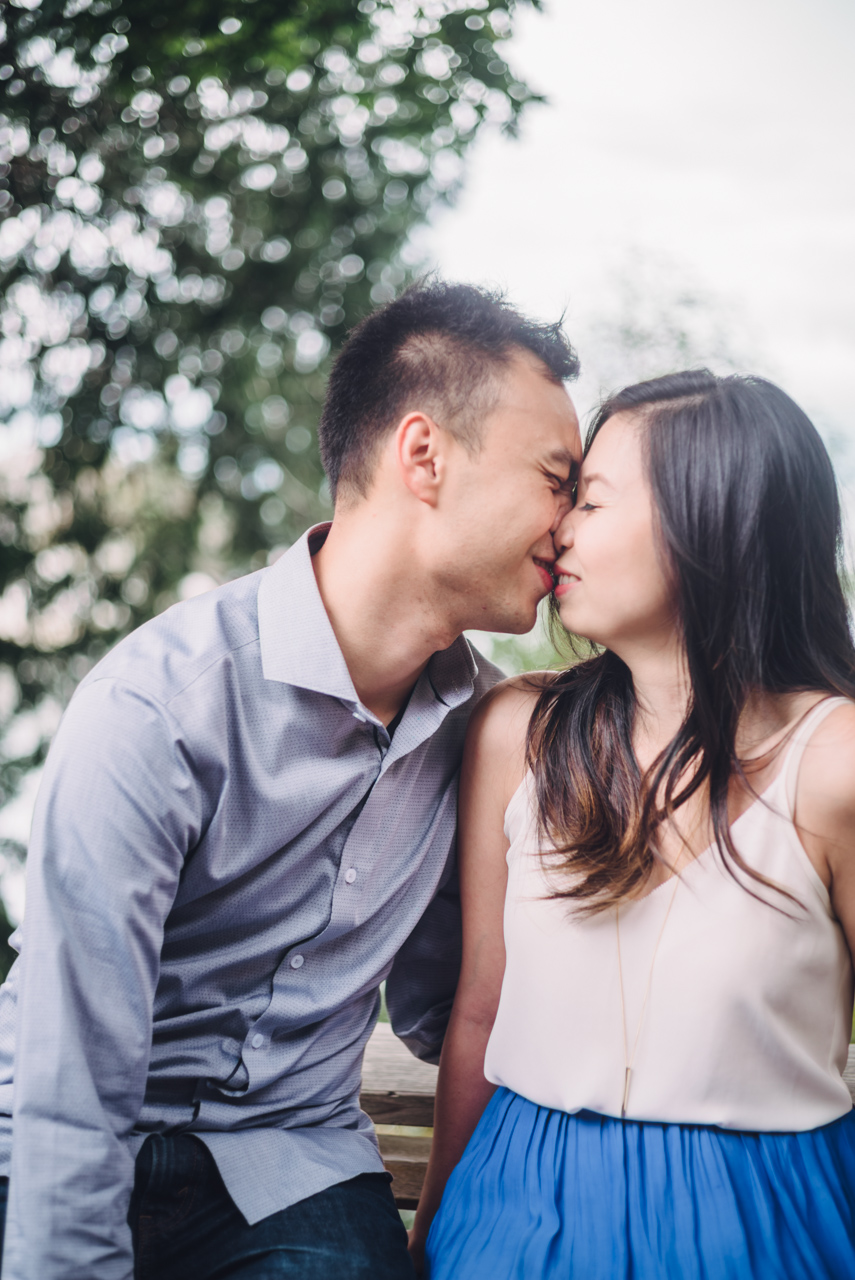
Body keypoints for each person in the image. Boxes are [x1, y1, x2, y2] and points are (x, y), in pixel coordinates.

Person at [0, 280, 583, 1280]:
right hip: (57, 1142)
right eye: (557, 477)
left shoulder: (489, 732)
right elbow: (71, 1078)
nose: (572, 522)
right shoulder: (159, 707)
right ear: (424, 455)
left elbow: (457, 1009)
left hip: (293, 1165)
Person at [412, 370, 855, 1279]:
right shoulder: (514, 735)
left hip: (764, 1218)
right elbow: (479, 1013)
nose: (558, 527)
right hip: (511, 1209)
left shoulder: (834, 762)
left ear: (710, 525)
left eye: (592, 500)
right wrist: (430, 1231)